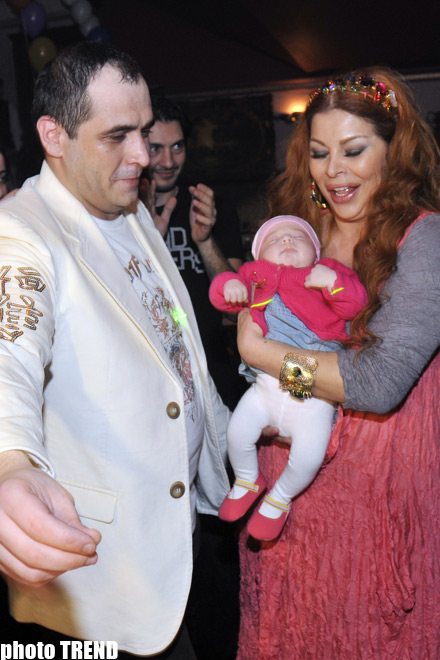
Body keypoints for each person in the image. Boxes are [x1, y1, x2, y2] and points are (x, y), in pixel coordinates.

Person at [0, 41, 232, 658]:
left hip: (175, 543)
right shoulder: (20, 232)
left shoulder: (124, 207)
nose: (143, 156)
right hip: (101, 586)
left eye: (145, 132)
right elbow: (8, 353)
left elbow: (175, 346)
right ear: (53, 135)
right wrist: (9, 466)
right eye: (117, 136)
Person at [235, 69, 440, 659]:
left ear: (394, 149)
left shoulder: (423, 239)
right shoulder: (300, 232)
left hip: (377, 507)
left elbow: (377, 384)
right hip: (292, 496)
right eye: (320, 153)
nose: (334, 171)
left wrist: (262, 355)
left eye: (354, 150)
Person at [209, 215, 367, 541]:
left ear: (316, 251)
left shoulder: (327, 271)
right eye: (274, 239)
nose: (286, 240)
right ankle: (246, 479)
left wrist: (333, 283)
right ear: (258, 256)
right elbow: (221, 293)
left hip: (314, 393)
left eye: (298, 236)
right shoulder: (254, 275)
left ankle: (280, 497)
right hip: (265, 386)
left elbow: (356, 304)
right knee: (237, 432)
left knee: (308, 455)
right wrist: (229, 286)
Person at [140, 96, 246, 410]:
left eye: (177, 147)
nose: (168, 161)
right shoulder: (121, 212)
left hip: (214, 370)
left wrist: (205, 240)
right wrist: (146, 240)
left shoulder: (209, 205)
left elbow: (235, 310)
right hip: (150, 375)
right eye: (155, 148)